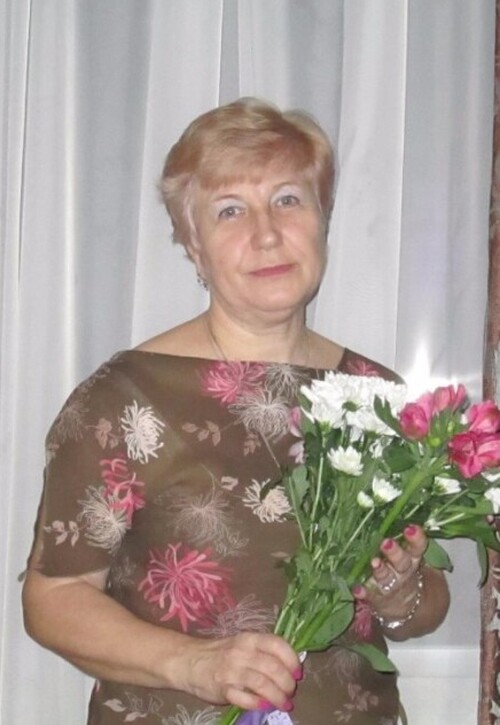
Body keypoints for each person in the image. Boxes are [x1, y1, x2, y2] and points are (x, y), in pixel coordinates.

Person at [22, 97, 450, 725]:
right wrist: (194, 664)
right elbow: (53, 598)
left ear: (322, 219)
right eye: (230, 210)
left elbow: (426, 605)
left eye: (288, 199)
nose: (267, 233)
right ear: (195, 248)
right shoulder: (125, 398)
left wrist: (400, 589)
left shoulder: (375, 395)